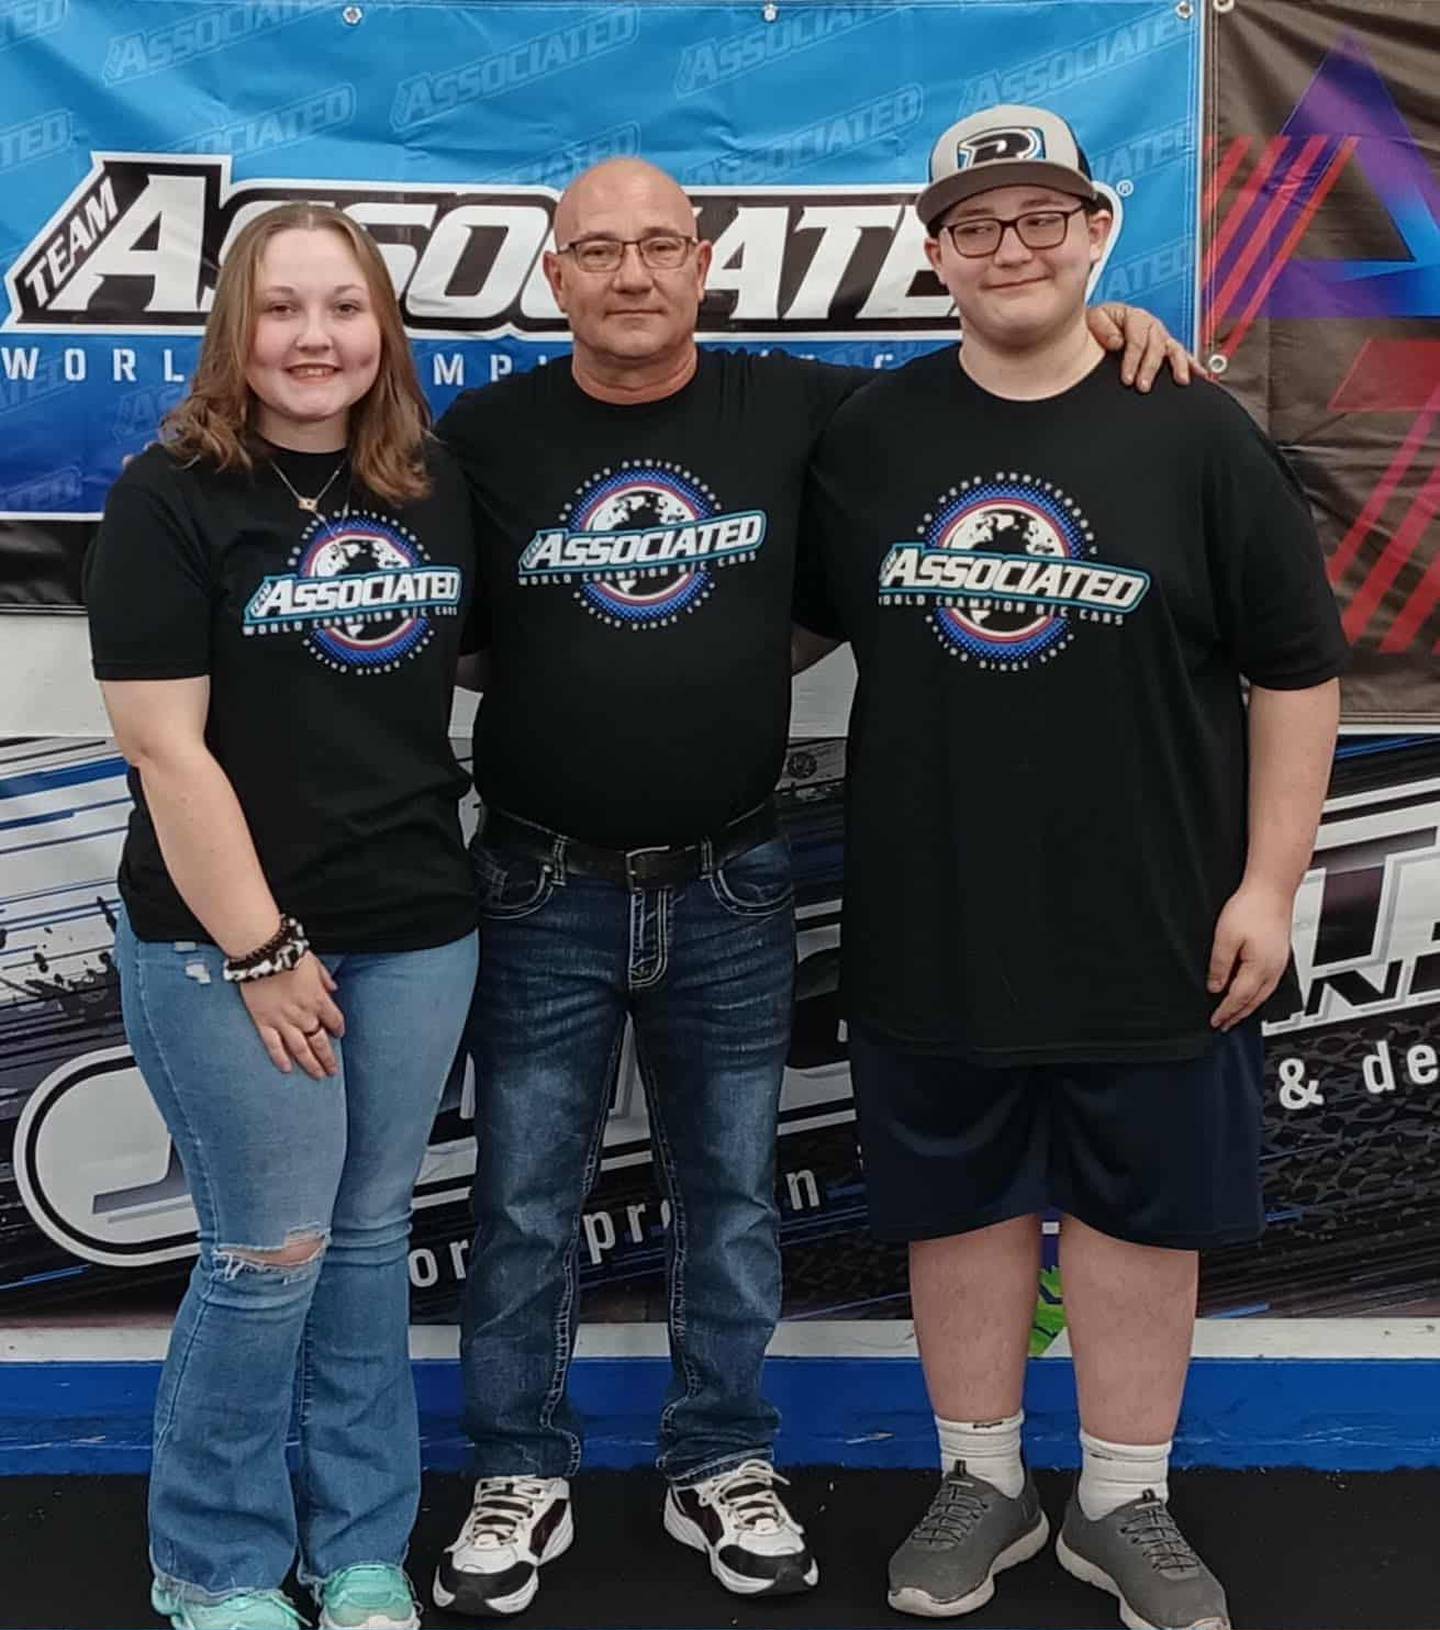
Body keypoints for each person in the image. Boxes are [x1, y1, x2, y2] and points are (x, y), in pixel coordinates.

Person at [430, 155, 1188, 1615]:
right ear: (553, 275)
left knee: (729, 1196)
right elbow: (453, 633)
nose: (633, 274)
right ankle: (518, 1467)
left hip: (733, 876)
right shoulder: (487, 431)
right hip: (540, 883)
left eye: (660, 246)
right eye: (599, 252)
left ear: (705, 261)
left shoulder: (803, 410)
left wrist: (1124, 334)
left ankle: (723, 1456)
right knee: (524, 1201)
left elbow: (999, 386)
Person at [795, 105, 1346, 1630]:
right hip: (934, 910)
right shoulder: (870, 436)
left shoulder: (1195, 428)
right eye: (976, 224)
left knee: (1138, 1214)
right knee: (958, 1208)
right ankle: (983, 1481)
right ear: (935, 254)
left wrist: (1269, 883)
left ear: (1101, 232)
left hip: (1157, 913)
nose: (1012, 247)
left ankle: (1123, 1497)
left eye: (1044, 219)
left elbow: (1299, 671)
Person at [85, 203, 481, 1630]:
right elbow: (165, 751)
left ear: (385, 327)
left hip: (419, 923)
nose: (315, 337)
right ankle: (217, 1563)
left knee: (372, 1239)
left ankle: (362, 1548)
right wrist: (260, 946)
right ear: (232, 333)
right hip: (220, 941)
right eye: (281, 308)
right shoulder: (170, 495)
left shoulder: (439, 482)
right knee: (269, 1254)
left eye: (344, 307)